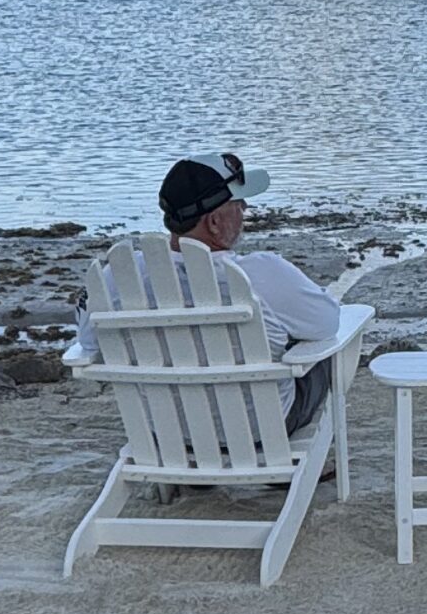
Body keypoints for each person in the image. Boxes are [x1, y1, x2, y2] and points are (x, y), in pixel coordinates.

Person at [78, 150, 341, 432]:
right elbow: (328, 323)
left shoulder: (118, 278)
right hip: (262, 429)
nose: (245, 209)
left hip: (165, 432)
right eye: (238, 203)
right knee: (324, 348)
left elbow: (89, 344)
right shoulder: (261, 273)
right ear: (214, 222)